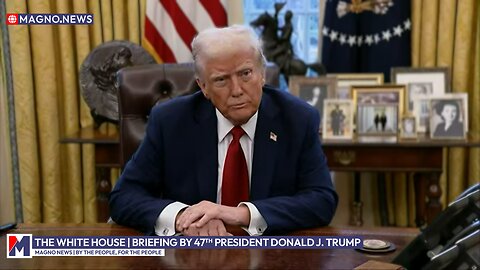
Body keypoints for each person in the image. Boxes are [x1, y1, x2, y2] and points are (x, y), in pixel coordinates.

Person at [109, 25, 338, 236]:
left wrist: (239, 214)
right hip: (192, 255)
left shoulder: (298, 119)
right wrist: (183, 218)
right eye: (221, 80)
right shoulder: (170, 122)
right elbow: (124, 197)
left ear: (262, 74)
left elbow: (321, 200)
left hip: (270, 254)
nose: (237, 90)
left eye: (245, 74)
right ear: (203, 87)